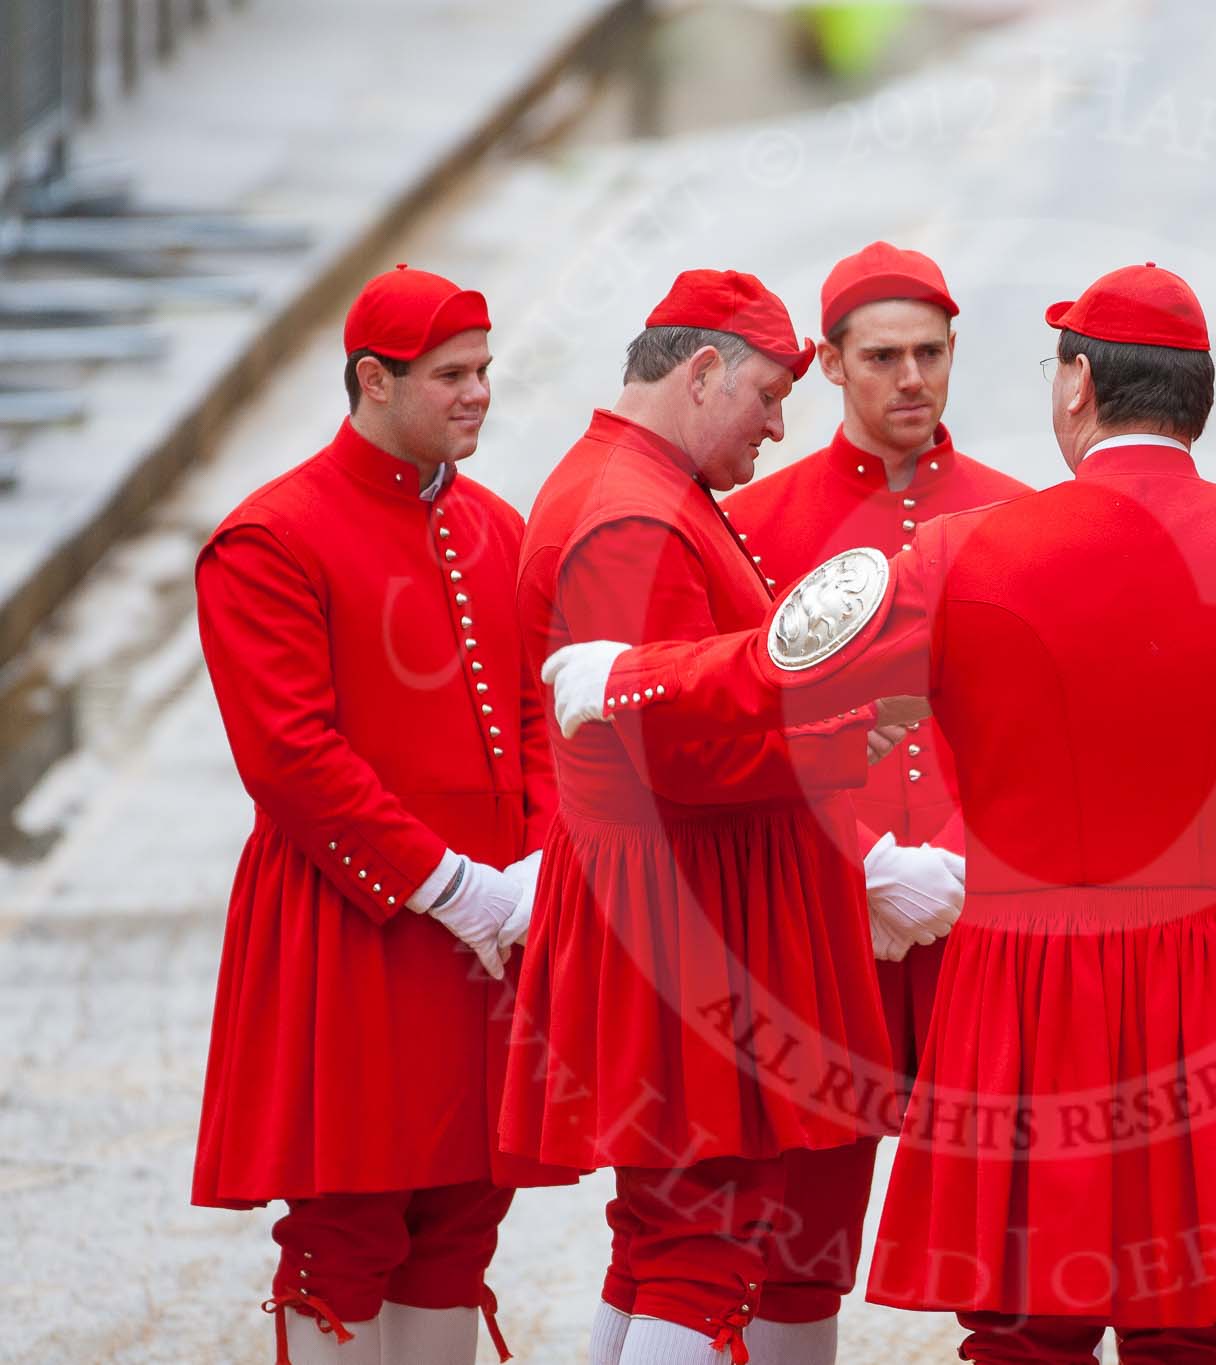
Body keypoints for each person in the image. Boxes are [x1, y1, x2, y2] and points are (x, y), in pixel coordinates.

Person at [542, 263, 1216, 1364]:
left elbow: (788, 669)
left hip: (1025, 978)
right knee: (1194, 1325)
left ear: (1078, 386)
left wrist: (627, 677)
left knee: (1018, 1326)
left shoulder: (969, 552)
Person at [507, 268, 897, 1365]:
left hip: (675, 905)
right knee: (707, 1234)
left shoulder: (632, 487)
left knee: (663, 1232)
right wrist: (843, 729)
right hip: (695, 912)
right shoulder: (633, 512)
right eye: (769, 395)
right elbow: (681, 751)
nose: (779, 426)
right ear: (703, 371)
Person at [191, 265, 563, 1364]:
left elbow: (540, 717)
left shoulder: (500, 524)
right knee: (346, 1225)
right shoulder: (270, 537)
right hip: (353, 921)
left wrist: (539, 864)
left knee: (461, 1217)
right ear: (372, 380)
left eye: (484, 371)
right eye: (450, 375)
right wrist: (450, 883)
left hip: (494, 930)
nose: (478, 394)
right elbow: (290, 755)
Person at [723, 239, 1030, 1069]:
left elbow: (1045, 727)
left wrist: (967, 865)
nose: (912, 379)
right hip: (820, 903)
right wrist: (863, 865)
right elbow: (741, 723)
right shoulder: (748, 525)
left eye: (931, 353)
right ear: (829, 362)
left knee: (991, 1182)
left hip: (986, 905)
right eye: (882, 357)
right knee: (813, 1186)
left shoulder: (1021, 518)